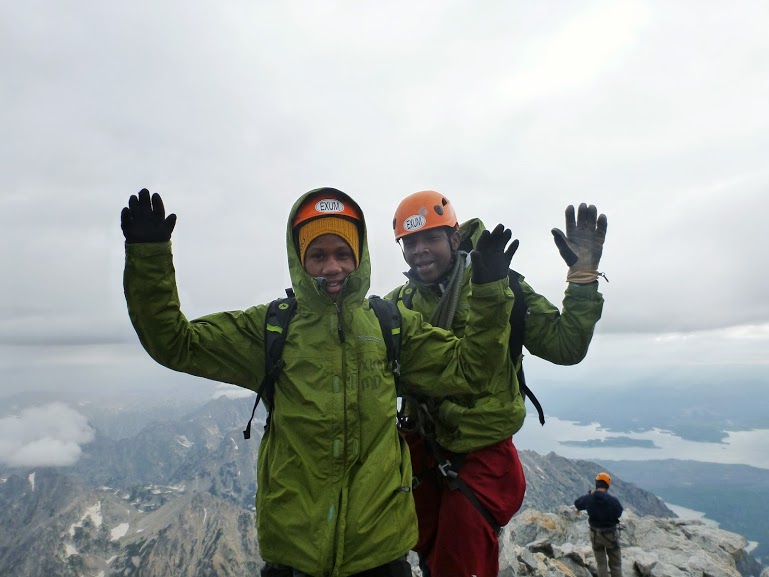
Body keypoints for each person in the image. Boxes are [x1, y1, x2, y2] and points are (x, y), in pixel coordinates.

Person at [120, 187, 520, 577]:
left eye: (343, 254)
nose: (332, 267)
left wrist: (488, 292)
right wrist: (150, 258)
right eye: (318, 255)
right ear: (300, 260)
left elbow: (471, 370)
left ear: (359, 258)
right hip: (295, 552)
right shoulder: (272, 327)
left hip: (380, 549)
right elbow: (176, 344)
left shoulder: (390, 325)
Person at [385, 190, 608, 577]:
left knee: (460, 559)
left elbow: (566, 346)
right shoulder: (399, 305)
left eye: (431, 238)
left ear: (455, 238)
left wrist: (583, 278)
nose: (419, 251)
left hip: (482, 451)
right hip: (421, 447)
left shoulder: (503, 286)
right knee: (428, 549)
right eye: (410, 242)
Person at [574, 472, 624, 577]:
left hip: (595, 534)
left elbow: (577, 503)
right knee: (615, 565)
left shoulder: (589, 498)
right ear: (607, 485)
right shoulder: (612, 501)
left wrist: (590, 494)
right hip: (610, 535)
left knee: (601, 564)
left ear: (597, 484)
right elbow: (619, 512)